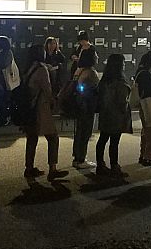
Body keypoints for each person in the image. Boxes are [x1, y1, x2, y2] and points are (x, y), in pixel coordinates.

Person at [21, 42, 65, 180]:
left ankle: (29, 168)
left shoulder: (29, 68)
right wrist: (55, 102)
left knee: (32, 138)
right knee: (53, 137)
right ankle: (53, 169)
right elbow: (47, 90)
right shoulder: (41, 69)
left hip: (30, 108)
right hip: (41, 108)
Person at [94, 53, 131, 176]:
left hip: (105, 114)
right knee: (114, 142)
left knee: (103, 139)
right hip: (116, 116)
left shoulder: (105, 80)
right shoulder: (120, 82)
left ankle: (100, 165)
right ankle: (114, 167)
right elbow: (122, 101)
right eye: (123, 63)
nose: (124, 65)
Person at [70, 47, 100, 165]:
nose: (97, 56)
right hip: (87, 106)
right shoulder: (91, 72)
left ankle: (77, 157)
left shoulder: (79, 70)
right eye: (95, 54)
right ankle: (81, 159)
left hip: (79, 104)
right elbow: (96, 89)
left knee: (79, 132)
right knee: (85, 132)